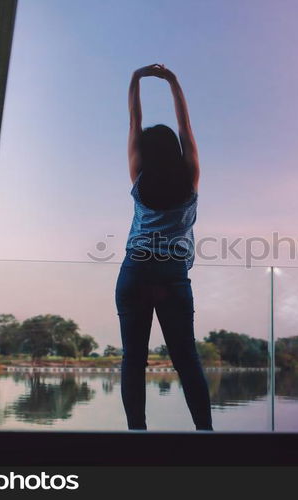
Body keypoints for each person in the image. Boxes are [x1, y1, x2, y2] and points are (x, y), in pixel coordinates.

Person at [115, 64, 213, 431]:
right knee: (186, 359)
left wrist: (135, 78)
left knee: (133, 360)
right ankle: (205, 434)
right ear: (175, 150)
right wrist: (173, 82)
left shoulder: (139, 175)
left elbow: (132, 124)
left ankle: (137, 436)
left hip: (136, 271)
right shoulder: (190, 177)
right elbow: (186, 129)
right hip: (172, 275)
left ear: (144, 151)